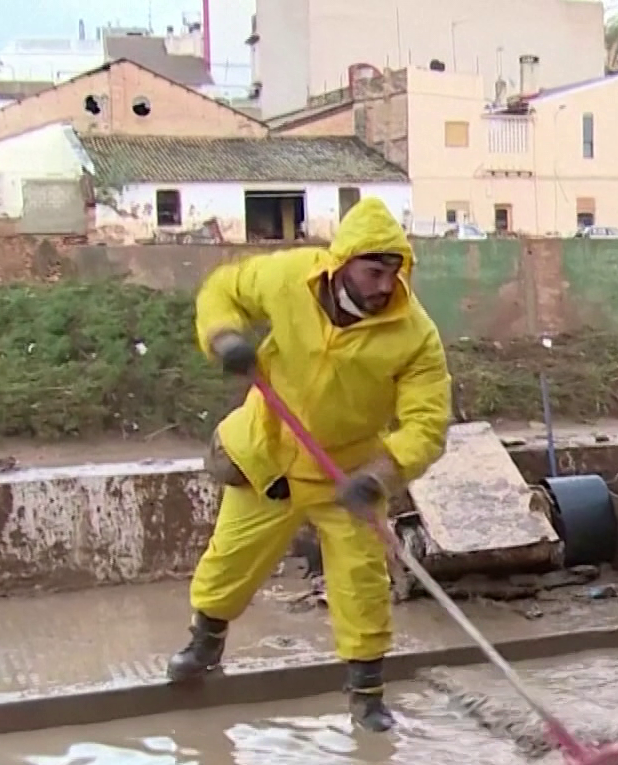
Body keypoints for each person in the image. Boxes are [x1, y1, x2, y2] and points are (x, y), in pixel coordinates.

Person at [166, 197, 451, 733]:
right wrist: (224, 336)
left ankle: (366, 694)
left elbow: (427, 426)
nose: (385, 286)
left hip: (346, 475)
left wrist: (381, 475)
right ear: (340, 262)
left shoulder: (415, 336)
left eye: (394, 273)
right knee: (230, 560)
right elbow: (224, 288)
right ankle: (205, 643)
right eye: (373, 271)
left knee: (363, 584)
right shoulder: (289, 277)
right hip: (267, 454)